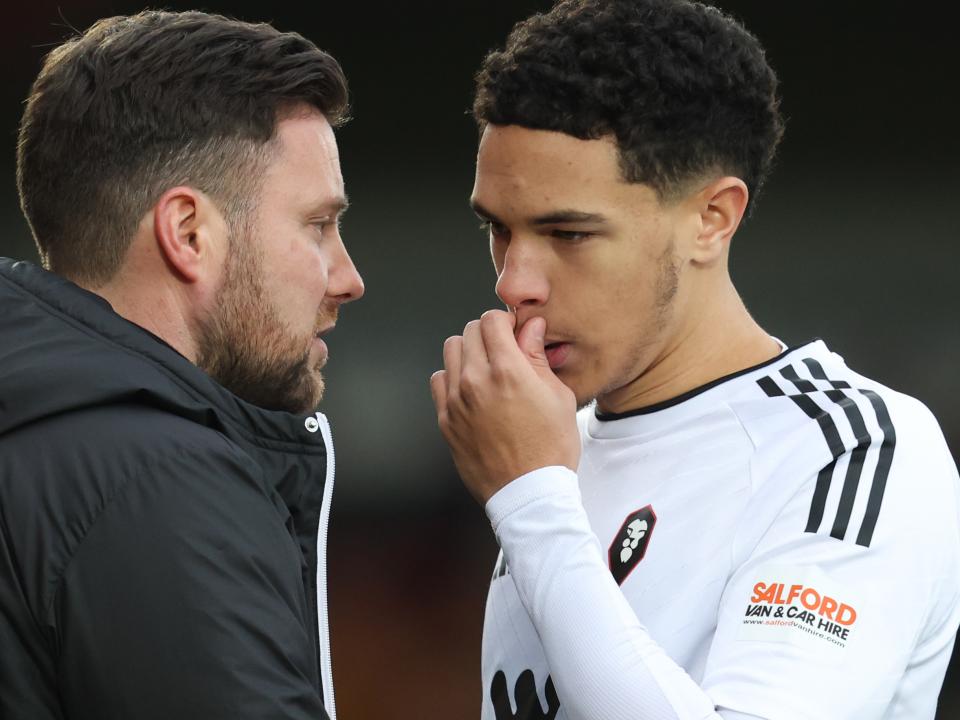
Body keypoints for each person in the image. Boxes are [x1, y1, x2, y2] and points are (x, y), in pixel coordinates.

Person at [430, 1, 960, 718]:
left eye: (569, 233)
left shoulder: (854, 450)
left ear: (712, 219)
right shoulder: (549, 452)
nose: (513, 281)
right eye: (499, 228)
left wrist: (530, 503)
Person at [0, 10, 363, 720]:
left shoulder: (37, 439)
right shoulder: (156, 476)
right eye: (318, 226)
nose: (347, 277)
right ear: (189, 233)